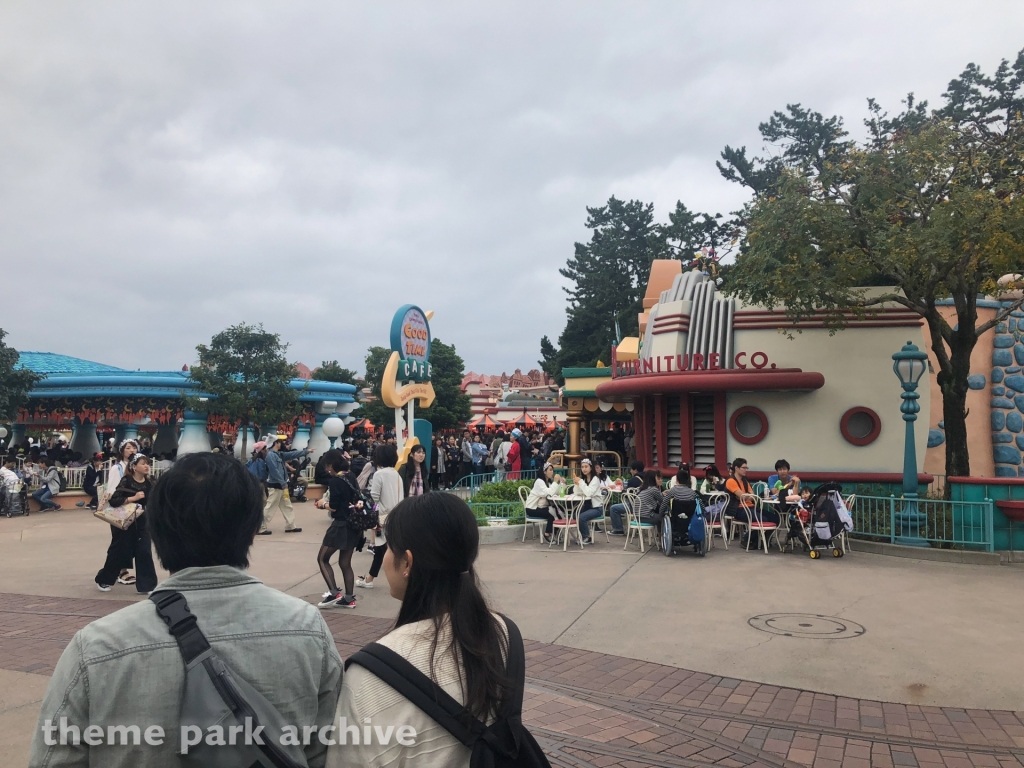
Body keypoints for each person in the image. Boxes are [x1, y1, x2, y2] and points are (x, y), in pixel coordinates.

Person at [32, 452, 343, 768]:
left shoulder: (98, 645)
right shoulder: (307, 628)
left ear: (156, 528)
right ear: (251, 530)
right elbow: (330, 752)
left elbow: (53, 759)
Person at [329, 493, 523, 767]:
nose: (384, 557)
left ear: (407, 562)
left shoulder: (371, 673)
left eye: (388, 547)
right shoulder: (504, 633)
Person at [95, 454, 158, 593]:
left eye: (147, 463)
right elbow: (114, 500)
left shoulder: (150, 482)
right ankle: (104, 579)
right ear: (134, 467)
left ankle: (147, 586)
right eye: (143, 463)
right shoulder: (126, 480)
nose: (146, 466)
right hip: (125, 523)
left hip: (143, 522)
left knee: (144, 552)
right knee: (118, 552)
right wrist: (133, 498)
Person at [314, 454, 359, 608]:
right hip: (354, 525)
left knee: (322, 558)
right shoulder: (351, 476)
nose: (327, 470)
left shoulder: (335, 481)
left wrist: (322, 504)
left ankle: (334, 593)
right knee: (345, 563)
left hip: (339, 526)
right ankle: (348, 598)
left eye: (327, 466)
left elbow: (333, 506)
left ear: (332, 466)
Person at [358, 444, 404, 589]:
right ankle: (369, 579)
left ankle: (398, 579)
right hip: (396, 516)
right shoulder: (396, 474)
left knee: (384, 549)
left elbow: (374, 497)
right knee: (381, 549)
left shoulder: (379, 474)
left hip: (382, 518)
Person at [258, 436, 311, 535]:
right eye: (279, 442)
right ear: (275, 443)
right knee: (270, 508)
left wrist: (306, 451)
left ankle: (290, 526)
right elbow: (274, 471)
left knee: (287, 506)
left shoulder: (278, 454)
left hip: (282, 486)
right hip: (276, 486)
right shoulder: (271, 456)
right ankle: (260, 527)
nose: (281, 444)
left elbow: (291, 454)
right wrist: (283, 483)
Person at [523, 462, 564, 542]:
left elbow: (557, 492)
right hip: (532, 508)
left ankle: (555, 532)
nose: (552, 472)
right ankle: (548, 533)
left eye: (553, 470)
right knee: (553, 512)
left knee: (560, 509)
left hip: (542, 507)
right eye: (550, 470)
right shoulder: (539, 482)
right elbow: (547, 493)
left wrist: (562, 483)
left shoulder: (548, 482)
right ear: (544, 471)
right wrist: (555, 482)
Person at [608, 460, 644, 535]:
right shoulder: (648, 478)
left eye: (631, 469)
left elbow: (628, 495)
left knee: (613, 508)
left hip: (635, 506)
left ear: (635, 470)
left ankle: (618, 529)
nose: (630, 471)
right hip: (647, 506)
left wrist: (623, 490)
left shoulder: (633, 480)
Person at [575, 458, 605, 544]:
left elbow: (589, 493)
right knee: (575, 515)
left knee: (581, 517)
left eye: (586, 466)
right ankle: (580, 535)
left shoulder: (595, 479)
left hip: (596, 508)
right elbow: (577, 492)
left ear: (591, 468)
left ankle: (587, 537)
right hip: (587, 506)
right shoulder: (584, 480)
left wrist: (580, 482)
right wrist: (577, 484)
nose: (584, 469)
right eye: (582, 467)